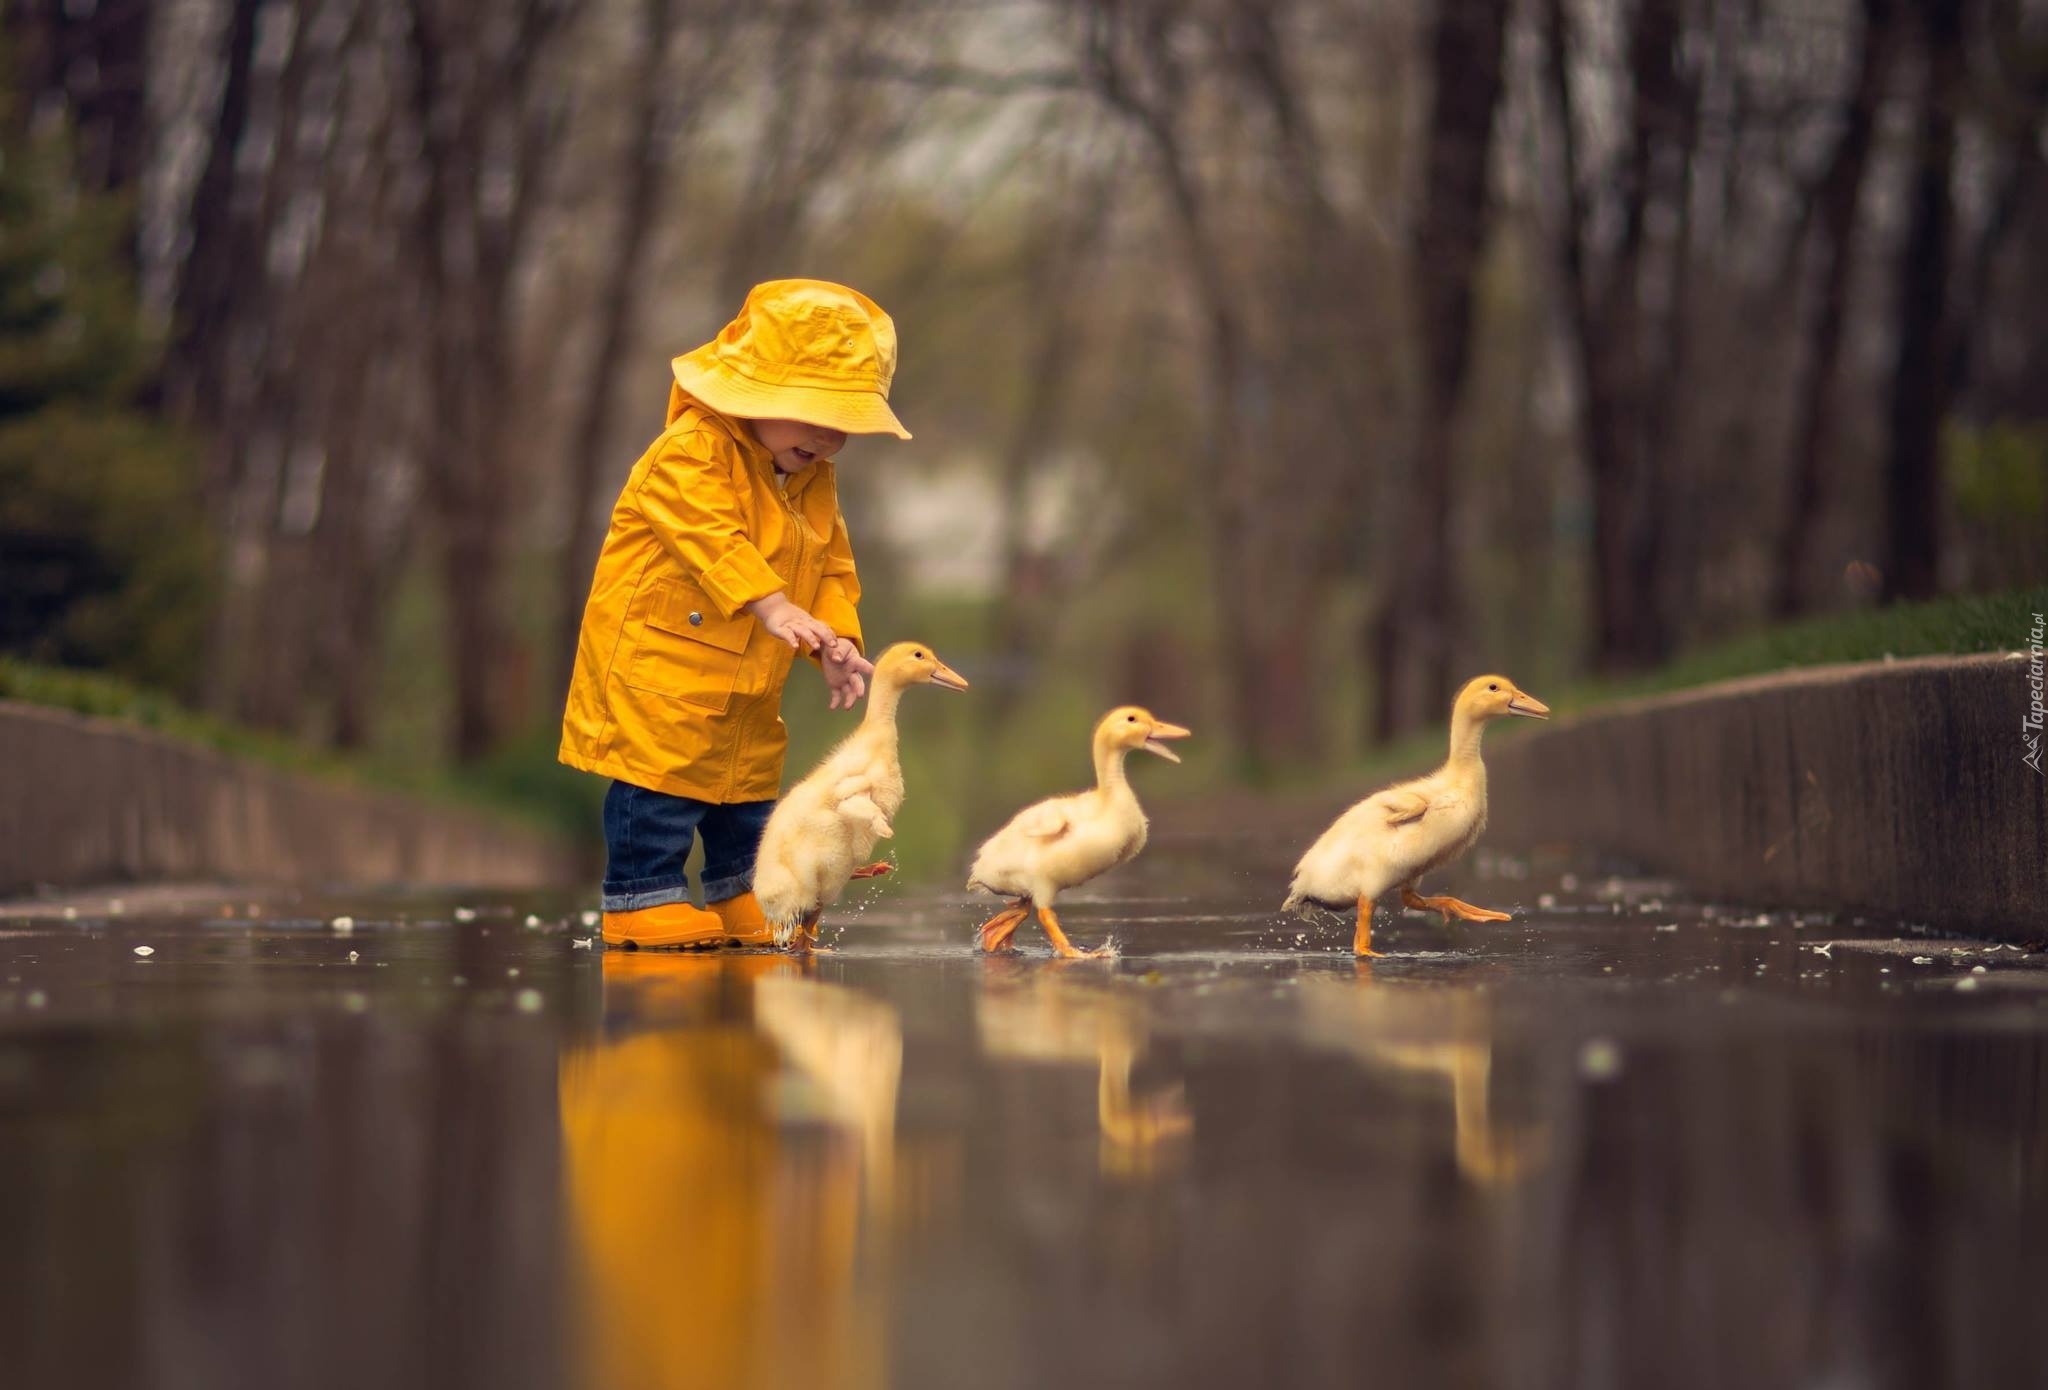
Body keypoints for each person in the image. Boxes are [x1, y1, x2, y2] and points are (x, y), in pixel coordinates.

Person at [558, 279, 910, 949]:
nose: (829, 438)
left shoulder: (808, 481)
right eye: (814, 413)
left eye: (845, 425)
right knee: (659, 785)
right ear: (754, 390)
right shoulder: (689, 452)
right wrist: (771, 603)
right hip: (663, 667)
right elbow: (710, 537)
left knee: (744, 796)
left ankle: (743, 893)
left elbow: (832, 563)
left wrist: (831, 640)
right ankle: (639, 898)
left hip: (748, 676)